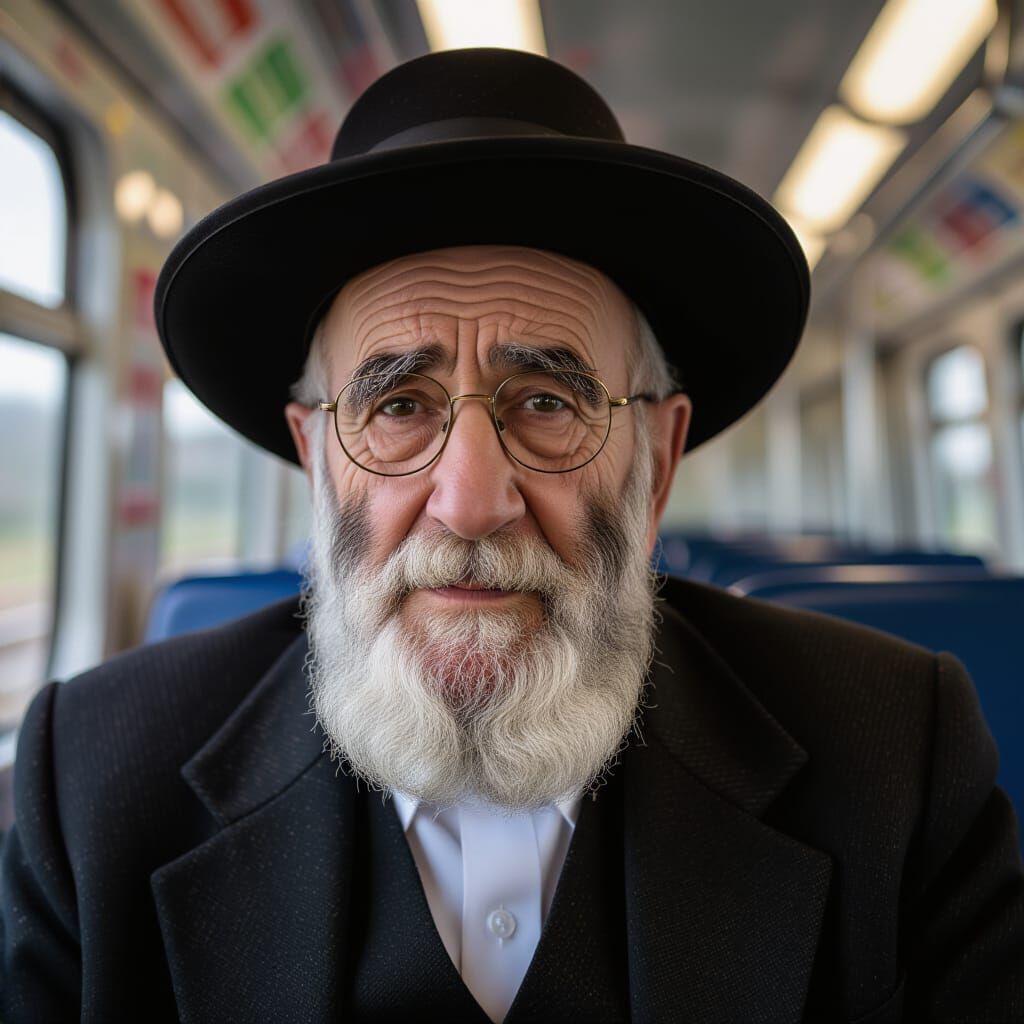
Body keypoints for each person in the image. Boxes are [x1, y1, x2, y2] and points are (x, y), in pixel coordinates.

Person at [2, 47, 1023, 1024]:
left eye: (546, 400)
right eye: (397, 406)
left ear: (656, 461)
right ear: (316, 457)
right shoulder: (95, 783)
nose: (469, 500)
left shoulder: (894, 756)